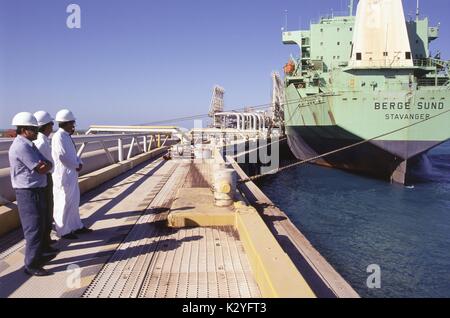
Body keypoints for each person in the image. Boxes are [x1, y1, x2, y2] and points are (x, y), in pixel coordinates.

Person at [8, 112, 53, 276]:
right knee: (33, 228)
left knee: (40, 225)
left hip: (36, 189)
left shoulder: (29, 144)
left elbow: (47, 163)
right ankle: (31, 265)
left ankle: (38, 257)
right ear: (24, 130)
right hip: (28, 192)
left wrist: (46, 165)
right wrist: (46, 165)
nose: (36, 132)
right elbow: (41, 168)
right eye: (34, 129)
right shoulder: (21, 146)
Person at [52, 109, 92, 239]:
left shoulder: (66, 136)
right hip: (63, 176)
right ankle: (63, 230)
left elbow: (73, 154)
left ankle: (76, 226)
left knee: (74, 202)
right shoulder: (58, 137)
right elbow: (62, 156)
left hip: (71, 174)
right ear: (67, 123)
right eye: (72, 123)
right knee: (63, 202)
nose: (73, 125)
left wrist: (79, 162)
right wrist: (76, 165)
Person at [33, 111, 58, 253]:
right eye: (51, 124)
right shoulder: (41, 142)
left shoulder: (40, 140)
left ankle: (46, 241)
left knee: (46, 210)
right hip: (45, 178)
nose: (52, 127)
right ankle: (44, 243)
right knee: (47, 210)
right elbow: (45, 164)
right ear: (46, 126)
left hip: (43, 178)